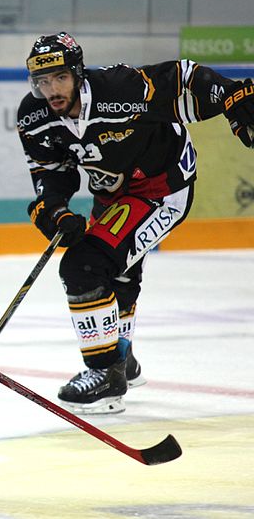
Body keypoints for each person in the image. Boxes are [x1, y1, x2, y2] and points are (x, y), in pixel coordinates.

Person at [17, 32, 254, 414]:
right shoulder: (34, 116)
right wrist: (55, 207)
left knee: (85, 266)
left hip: (163, 189)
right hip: (112, 193)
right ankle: (121, 358)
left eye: (60, 77)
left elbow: (183, 78)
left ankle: (106, 375)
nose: (52, 90)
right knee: (116, 273)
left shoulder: (119, 88)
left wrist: (232, 96)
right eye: (43, 82)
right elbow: (52, 170)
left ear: (78, 72)